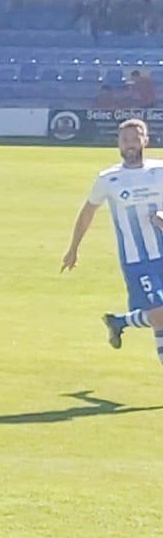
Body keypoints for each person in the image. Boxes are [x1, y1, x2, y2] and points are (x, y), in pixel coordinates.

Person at [63, 116, 163, 365]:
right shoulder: (109, 179)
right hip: (137, 259)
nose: (130, 144)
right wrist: (73, 248)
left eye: (135, 138)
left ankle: (119, 321)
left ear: (145, 141)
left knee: (159, 316)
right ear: (118, 144)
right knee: (159, 313)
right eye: (125, 139)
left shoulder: (159, 171)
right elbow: (88, 212)